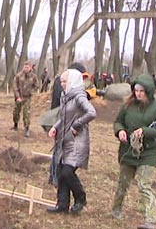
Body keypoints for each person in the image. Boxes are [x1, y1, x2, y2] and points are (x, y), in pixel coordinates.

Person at [112, 74, 156, 229]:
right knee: (123, 183)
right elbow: (118, 121)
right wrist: (120, 131)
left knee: (144, 184)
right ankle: (116, 209)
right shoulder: (127, 105)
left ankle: (151, 220)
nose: (138, 94)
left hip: (149, 152)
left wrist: (145, 131)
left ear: (149, 91)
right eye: (136, 90)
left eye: (141, 91)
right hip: (128, 150)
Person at [46, 69, 96, 215]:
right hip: (64, 140)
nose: (62, 84)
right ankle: (62, 204)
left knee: (68, 172)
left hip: (77, 141)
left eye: (64, 81)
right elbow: (63, 117)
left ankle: (80, 197)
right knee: (61, 171)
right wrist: (55, 128)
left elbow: (91, 113)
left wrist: (77, 125)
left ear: (73, 81)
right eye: (61, 81)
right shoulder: (65, 96)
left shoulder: (79, 96)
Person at [12, 60, 39, 137]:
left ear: (30, 67)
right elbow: (15, 86)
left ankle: (26, 128)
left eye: (27, 67)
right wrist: (17, 96)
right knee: (16, 112)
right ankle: (15, 124)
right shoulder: (18, 76)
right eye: (25, 67)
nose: (26, 68)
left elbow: (36, 86)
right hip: (19, 97)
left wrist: (31, 91)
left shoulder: (33, 76)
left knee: (26, 113)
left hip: (27, 97)